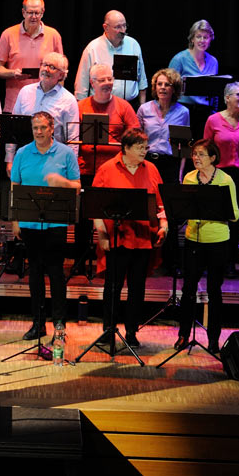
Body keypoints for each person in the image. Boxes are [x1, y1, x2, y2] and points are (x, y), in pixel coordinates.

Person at [91, 129, 168, 348]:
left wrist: (164, 226)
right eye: (140, 147)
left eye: (146, 147)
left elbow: (161, 205)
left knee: (137, 288)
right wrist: (102, 234)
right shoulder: (107, 169)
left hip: (143, 238)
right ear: (126, 148)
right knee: (112, 287)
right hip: (116, 237)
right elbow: (95, 206)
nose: (145, 151)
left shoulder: (151, 169)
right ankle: (108, 330)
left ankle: (132, 331)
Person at [9, 111, 81, 341]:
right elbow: (15, 187)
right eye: (35, 128)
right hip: (30, 223)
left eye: (42, 128)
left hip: (55, 223)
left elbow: (77, 187)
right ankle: (38, 324)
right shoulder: (22, 153)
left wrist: (63, 183)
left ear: (52, 128)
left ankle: (59, 325)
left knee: (57, 275)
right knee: (35, 276)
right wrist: (15, 220)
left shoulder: (66, 153)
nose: (38, 132)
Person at [176, 138, 239, 354]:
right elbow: (184, 208)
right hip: (193, 239)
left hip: (218, 241)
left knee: (214, 290)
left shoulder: (225, 180)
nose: (196, 158)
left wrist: (217, 208)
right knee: (188, 289)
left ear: (213, 158)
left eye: (201, 154)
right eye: (194, 154)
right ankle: (183, 334)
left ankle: (214, 339)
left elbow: (235, 214)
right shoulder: (189, 178)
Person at [137, 68, 190, 274]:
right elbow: (138, 139)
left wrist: (180, 173)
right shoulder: (144, 109)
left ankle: (172, 263)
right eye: (159, 84)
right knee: (147, 209)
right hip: (149, 162)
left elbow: (183, 146)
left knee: (169, 213)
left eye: (167, 84)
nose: (162, 88)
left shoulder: (183, 112)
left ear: (174, 88)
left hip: (170, 164)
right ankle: (145, 261)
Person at [204, 81, 239, 275]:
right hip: (220, 175)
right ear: (227, 98)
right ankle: (214, 260)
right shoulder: (213, 120)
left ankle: (230, 261)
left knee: (235, 219)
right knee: (218, 218)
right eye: (238, 95)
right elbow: (206, 149)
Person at [0, 0, 64, 112]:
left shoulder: (53, 35)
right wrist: (13, 73)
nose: (34, 17)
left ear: (42, 13)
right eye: (30, 13)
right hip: (16, 103)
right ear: (23, 12)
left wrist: (59, 99)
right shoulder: (8, 34)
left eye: (37, 13)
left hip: (46, 103)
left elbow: (61, 72)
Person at [8, 52, 79, 167]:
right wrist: (10, 159)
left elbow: (73, 139)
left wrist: (71, 167)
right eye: (44, 65)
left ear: (61, 75)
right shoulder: (25, 92)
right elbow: (12, 128)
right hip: (25, 159)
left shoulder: (69, 100)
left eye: (52, 67)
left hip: (54, 161)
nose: (46, 69)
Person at [76, 63, 140, 176]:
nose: (107, 83)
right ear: (92, 83)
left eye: (109, 79)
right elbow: (72, 139)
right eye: (102, 80)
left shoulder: (124, 106)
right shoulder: (80, 106)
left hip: (116, 170)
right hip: (85, 170)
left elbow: (135, 138)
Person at [74, 9, 148, 105]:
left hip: (130, 105)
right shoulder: (92, 48)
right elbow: (81, 85)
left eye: (124, 26)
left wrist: (142, 108)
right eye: (117, 27)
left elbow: (142, 80)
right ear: (106, 27)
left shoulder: (133, 44)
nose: (123, 31)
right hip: (102, 106)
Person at [168, 19, 219, 109]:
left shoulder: (213, 62)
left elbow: (215, 93)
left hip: (206, 110)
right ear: (192, 39)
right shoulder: (179, 59)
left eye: (206, 37)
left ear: (210, 39)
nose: (202, 40)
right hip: (182, 109)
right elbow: (169, 87)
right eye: (198, 36)